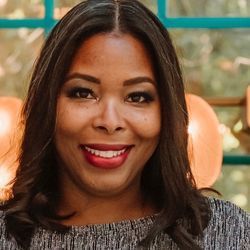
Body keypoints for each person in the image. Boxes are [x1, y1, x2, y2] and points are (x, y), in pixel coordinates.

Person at [0, 0, 249, 249]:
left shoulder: (228, 235)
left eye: (137, 97)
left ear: (167, 113)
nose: (110, 122)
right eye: (83, 93)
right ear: (48, 104)